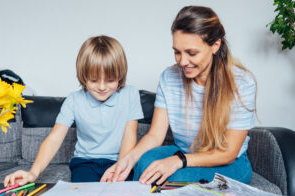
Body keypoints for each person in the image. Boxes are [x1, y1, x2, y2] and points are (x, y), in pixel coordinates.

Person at [101, 6, 256, 185]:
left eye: (192, 53)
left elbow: (228, 153)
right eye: (177, 52)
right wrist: (127, 160)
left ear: (215, 45)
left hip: (229, 162)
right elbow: (155, 136)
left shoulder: (242, 82)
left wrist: (179, 161)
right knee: (144, 162)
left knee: (174, 178)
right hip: (183, 152)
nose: (182, 62)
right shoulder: (169, 77)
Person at [4, 35, 143, 185]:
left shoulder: (130, 94)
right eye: (94, 80)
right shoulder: (74, 100)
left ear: (120, 76)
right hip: (85, 162)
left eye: (110, 80)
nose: (102, 87)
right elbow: (54, 139)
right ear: (83, 76)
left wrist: (118, 171)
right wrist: (33, 173)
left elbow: (130, 136)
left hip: (120, 161)